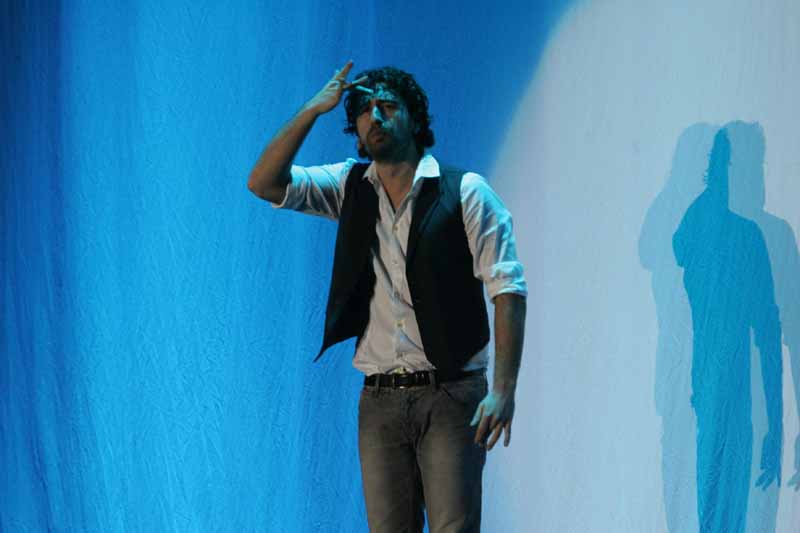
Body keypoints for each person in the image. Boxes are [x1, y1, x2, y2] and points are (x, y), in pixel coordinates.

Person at [247, 60, 527, 533]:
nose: (374, 117)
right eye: (363, 110)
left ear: (414, 119)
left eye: (387, 106)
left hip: (451, 394)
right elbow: (264, 182)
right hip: (379, 401)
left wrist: (503, 390)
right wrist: (313, 109)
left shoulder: (465, 191)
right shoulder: (349, 187)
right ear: (356, 132)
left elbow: (508, 290)